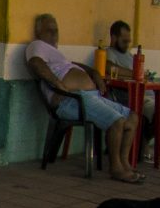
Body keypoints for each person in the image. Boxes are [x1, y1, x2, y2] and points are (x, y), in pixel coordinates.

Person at [25, 16, 139, 180]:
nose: (54, 34)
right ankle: (116, 168)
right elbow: (35, 63)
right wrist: (58, 84)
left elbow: (72, 64)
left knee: (132, 117)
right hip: (70, 99)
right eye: (49, 30)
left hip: (89, 96)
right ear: (38, 32)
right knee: (118, 122)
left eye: (56, 31)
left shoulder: (55, 54)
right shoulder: (37, 46)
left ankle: (125, 163)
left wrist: (94, 74)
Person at [97, 19, 160, 159]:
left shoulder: (130, 55)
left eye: (128, 41)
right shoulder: (108, 52)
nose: (127, 44)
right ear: (113, 38)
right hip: (139, 97)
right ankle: (143, 143)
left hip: (152, 94)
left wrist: (143, 75)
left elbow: (139, 74)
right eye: (124, 41)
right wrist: (136, 74)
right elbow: (108, 67)